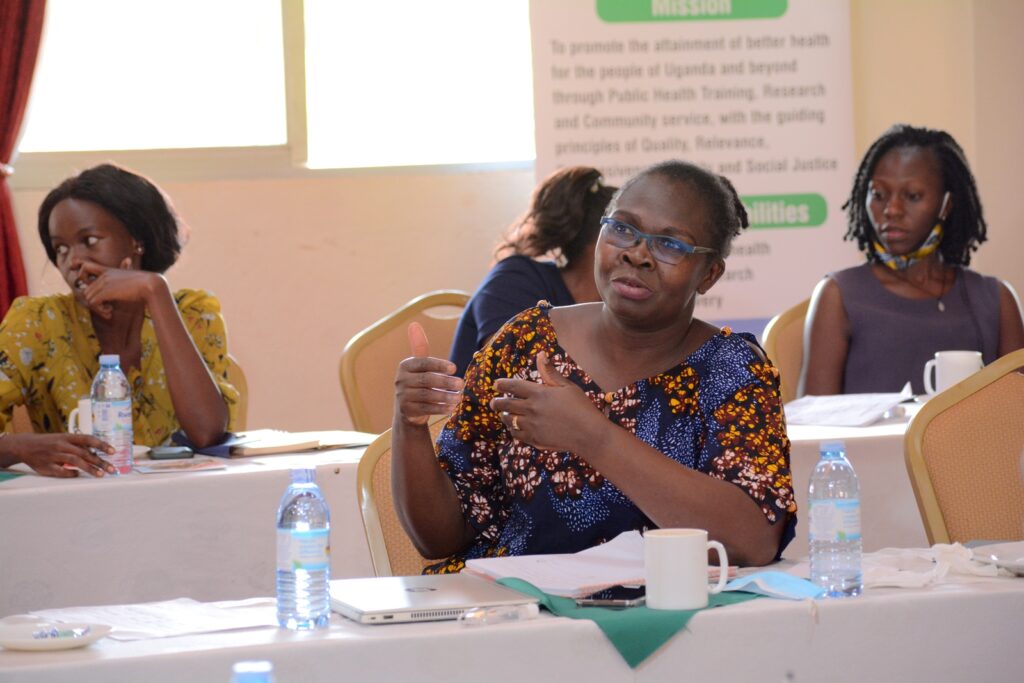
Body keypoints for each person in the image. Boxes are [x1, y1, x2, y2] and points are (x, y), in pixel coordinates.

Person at [394, 160, 796, 570]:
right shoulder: (525, 343)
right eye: (623, 228)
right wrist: (409, 426)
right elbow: (439, 537)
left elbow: (753, 540)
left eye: (670, 244)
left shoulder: (731, 370)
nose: (637, 254)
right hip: (515, 612)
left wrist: (593, 437)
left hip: (667, 613)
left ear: (709, 275)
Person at [0, 164, 238, 477]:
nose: (73, 261)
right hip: (76, 507)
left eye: (90, 240)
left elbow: (206, 433)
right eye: (60, 248)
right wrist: (20, 447)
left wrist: (156, 291)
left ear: (136, 241)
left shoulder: (193, 312)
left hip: (181, 503)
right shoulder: (37, 323)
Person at [802, 124, 1024, 396]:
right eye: (879, 194)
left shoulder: (996, 299)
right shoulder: (838, 294)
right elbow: (813, 425)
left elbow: (1016, 420)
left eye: (913, 196)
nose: (892, 210)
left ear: (946, 205)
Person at [448, 166, 617, 376]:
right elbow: (518, 380)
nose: (642, 255)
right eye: (627, 235)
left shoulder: (613, 313)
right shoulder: (514, 281)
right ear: (601, 245)